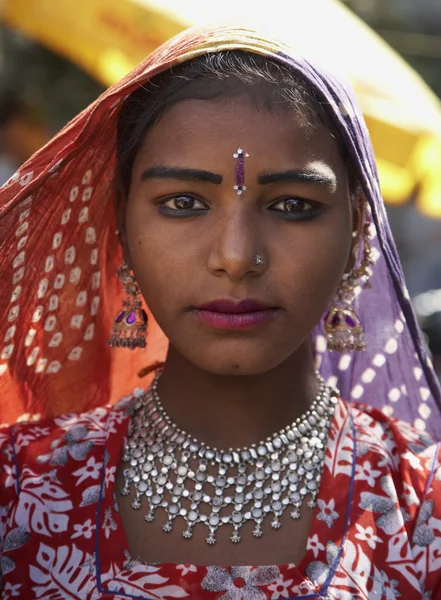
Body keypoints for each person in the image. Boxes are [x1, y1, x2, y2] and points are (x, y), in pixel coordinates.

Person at [0, 25, 441, 600]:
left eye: (292, 205)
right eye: (183, 203)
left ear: (357, 227)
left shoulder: (422, 508)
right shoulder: (19, 492)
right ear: (123, 228)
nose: (236, 257)